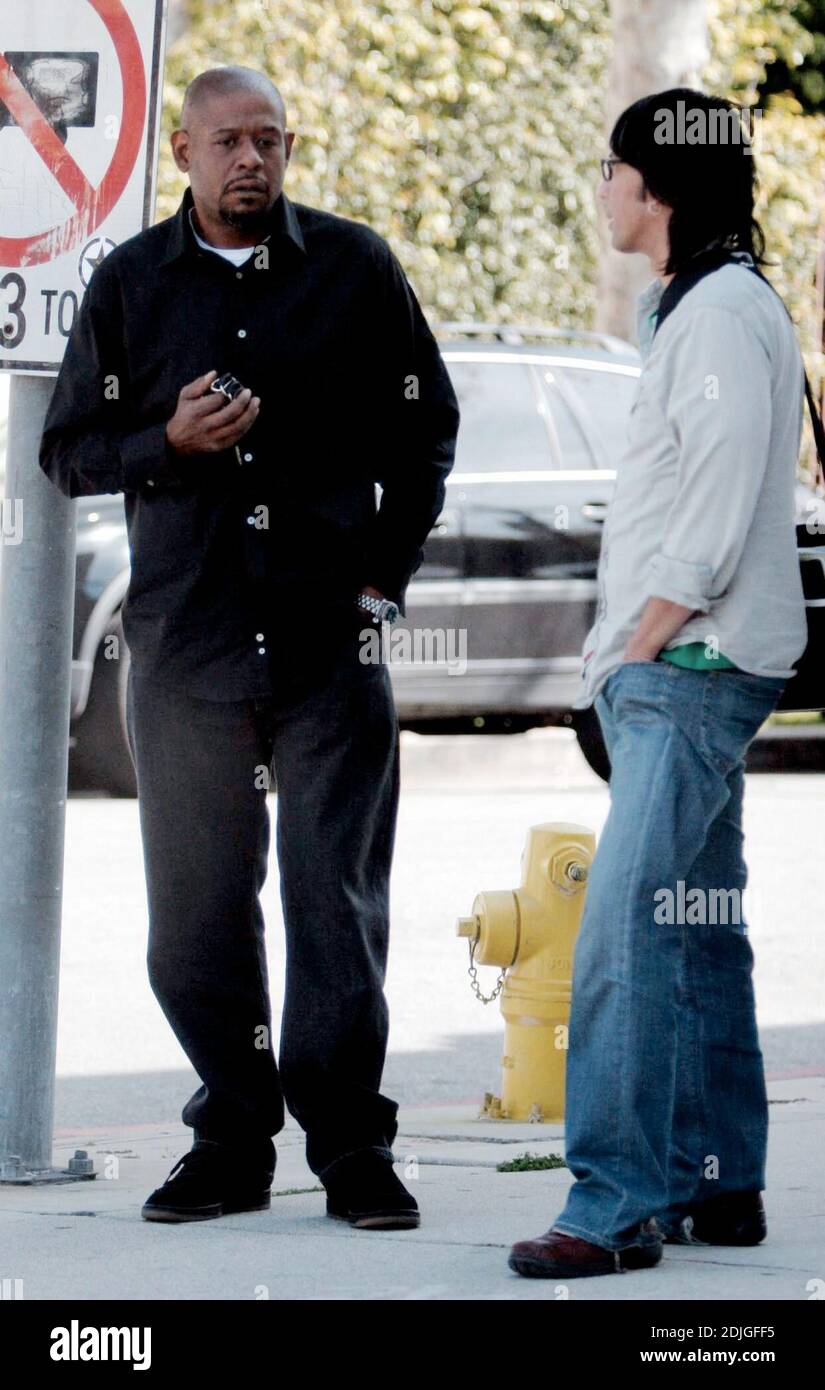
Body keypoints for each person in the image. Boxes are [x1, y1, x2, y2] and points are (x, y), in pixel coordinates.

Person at [39, 65, 459, 1229]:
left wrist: (385, 572)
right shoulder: (129, 285)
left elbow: (427, 422)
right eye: (228, 141)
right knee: (196, 922)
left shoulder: (357, 267)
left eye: (269, 140)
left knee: (337, 910)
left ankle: (351, 1151)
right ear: (182, 152)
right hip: (186, 656)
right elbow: (69, 451)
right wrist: (166, 439)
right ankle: (230, 1140)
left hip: (328, 650)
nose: (251, 162)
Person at [509, 89, 808, 1279]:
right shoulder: (693, 308)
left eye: (611, 169)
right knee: (696, 926)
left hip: (687, 669)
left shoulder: (724, 313)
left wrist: (645, 636)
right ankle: (718, 1183)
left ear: (657, 188)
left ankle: (615, 1200)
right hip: (680, 667)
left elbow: (724, 501)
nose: (602, 188)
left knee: (622, 935)